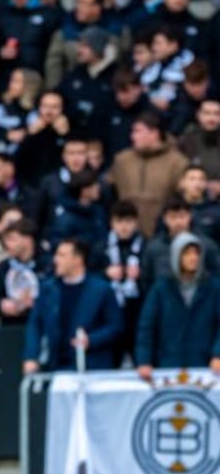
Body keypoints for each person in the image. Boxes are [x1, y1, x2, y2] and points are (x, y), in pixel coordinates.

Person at [22, 238, 122, 373]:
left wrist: (91, 340)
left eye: (62, 255)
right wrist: (31, 356)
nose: (56, 260)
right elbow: (35, 323)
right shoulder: (48, 289)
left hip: (92, 366)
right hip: (55, 366)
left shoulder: (101, 289)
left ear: (78, 259)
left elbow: (115, 326)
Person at [135, 232, 220, 379]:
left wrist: (218, 354)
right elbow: (146, 326)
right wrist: (144, 360)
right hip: (168, 364)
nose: (193, 258)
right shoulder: (161, 288)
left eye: (196, 253)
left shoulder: (213, 287)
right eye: (187, 253)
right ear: (176, 256)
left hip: (206, 366)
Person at [109, 112, 190, 238]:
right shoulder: (122, 160)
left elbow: (182, 198)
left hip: (162, 233)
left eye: (138, 131)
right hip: (126, 232)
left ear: (154, 133)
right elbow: (110, 192)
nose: (133, 136)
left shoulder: (178, 162)